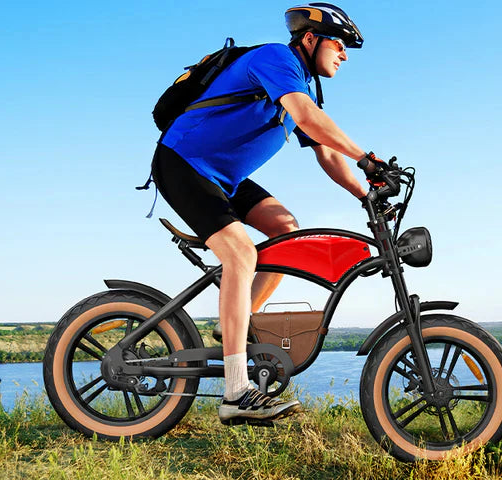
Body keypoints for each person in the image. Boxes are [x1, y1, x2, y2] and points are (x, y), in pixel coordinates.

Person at [151, 3, 382, 425]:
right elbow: (309, 119)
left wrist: (365, 193)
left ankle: (231, 329)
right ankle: (236, 392)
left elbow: (326, 151)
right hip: (184, 164)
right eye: (340, 42)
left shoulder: (301, 87)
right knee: (241, 253)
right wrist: (367, 158)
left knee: (285, 230)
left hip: (225, 180)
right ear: (310, 39)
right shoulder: (277, 58)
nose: (345, 53)